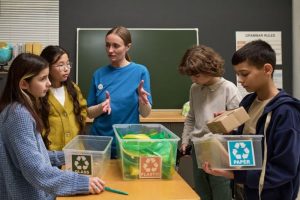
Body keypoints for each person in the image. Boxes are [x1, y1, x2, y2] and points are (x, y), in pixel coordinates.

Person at [203, 40, 300, 200]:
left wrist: (236, 175)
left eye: (245, 74)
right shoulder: (247, 102)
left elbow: (284, 169)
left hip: (270, 194)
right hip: (246, 190)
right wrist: (229, 133)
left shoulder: (286, 112)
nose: (240, 80)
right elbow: (249, 144)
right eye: (238, 74)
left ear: (267, 69)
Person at [0, 53, 105, 199]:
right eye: (42, 79)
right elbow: (35, 169)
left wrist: (68, 156)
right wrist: (82, 182)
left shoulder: (18, 109)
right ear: (24, 84)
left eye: (48, 77)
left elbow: (36, 154)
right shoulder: (19, 115)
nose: (49, 83)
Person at [178, 45, 242, 200]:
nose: (193, 79)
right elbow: (191, 117)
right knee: (202, 191)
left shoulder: (229, 89)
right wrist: (185, 140)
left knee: (221, 192)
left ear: (210, 69)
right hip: (198, 148)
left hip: (221, 150)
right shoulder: (195, 88)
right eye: (191, 76)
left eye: (197, 75)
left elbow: (239, 123)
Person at [87, 26, 152, 158]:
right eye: (107, 45)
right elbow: (89, 112)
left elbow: (145, 114)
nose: (110, 50)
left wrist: (142, 100)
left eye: (116, 46)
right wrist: (101, 107)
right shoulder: (98, 74)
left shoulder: (140, 71)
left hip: (127, 143)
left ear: (128, 47)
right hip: (99, 143)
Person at [40, 45, 87, 150]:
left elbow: (83, 109)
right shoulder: (40, 92)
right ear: (47, 67)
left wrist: (77, 126)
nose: (66, 69)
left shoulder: (73, 88)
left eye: (68, 63)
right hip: (52, 153)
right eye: (60, 65)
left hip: (76, 150)